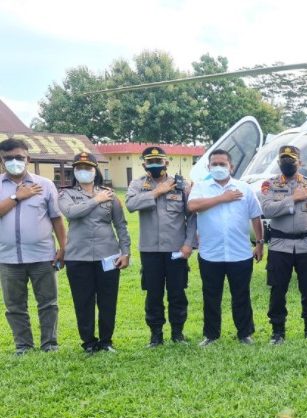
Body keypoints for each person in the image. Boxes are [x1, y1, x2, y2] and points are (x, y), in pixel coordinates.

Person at [188, 149, 264, 346]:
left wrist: (259, 244)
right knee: (211, 296)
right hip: (210, 254)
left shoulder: (244, 188)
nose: (219, 167)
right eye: (215, 164)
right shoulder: (201, 187)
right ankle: (211, 335)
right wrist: (223, 198)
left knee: (241, 295)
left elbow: (256, 216)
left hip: (240, 253)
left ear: (231, 167)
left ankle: (245, 333)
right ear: (209, 166)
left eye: (223, 164)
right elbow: (192, 206)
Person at [59, 152, 130, 354]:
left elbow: (121, 225)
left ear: (95, 170)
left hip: (108, 255)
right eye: (80, 168)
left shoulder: (110, 194)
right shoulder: (66, 194)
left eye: (88, 168)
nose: (84, 172)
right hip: (77, 257)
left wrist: (125, 252)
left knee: (108, 300)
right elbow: (71, 213)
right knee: (83, 301)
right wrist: (96, 200)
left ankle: (106, 341)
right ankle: (89, 342)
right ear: (74, 171)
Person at [125, 146, 197, 347]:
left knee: (177, 292)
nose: (155, 165)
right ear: (144, 164)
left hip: (176, 249)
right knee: (153, 294)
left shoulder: (181, 184)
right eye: (150, 162)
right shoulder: (138, 184)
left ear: (167, 162)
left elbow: (191, 216)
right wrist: (157, 192)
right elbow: (130, 205)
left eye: (159, 161)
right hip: (150, 250)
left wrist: (189, 244)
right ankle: (156, 335)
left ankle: (177, 333)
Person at [0, 138, 66, 355]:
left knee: (48, 303)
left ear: (27, 158)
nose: (14, 161)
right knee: (15, 306)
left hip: (42, 255)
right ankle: (23, 345)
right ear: (1, 160)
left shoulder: (45, 185)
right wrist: (16, 197)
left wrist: (63, 247)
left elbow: (57, 219)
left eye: (19, 157)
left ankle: (50, 344)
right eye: (8, 158)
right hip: (8, 258)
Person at [258, 145, 307, 344]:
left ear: (300, 162)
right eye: (283, 159)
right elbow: (267, 210)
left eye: (291, 159)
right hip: (280, 245)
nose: (287, 163)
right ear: (279, 162)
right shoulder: (269, 184)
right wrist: (293, 198)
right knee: (278, 289)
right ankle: (278, 332)